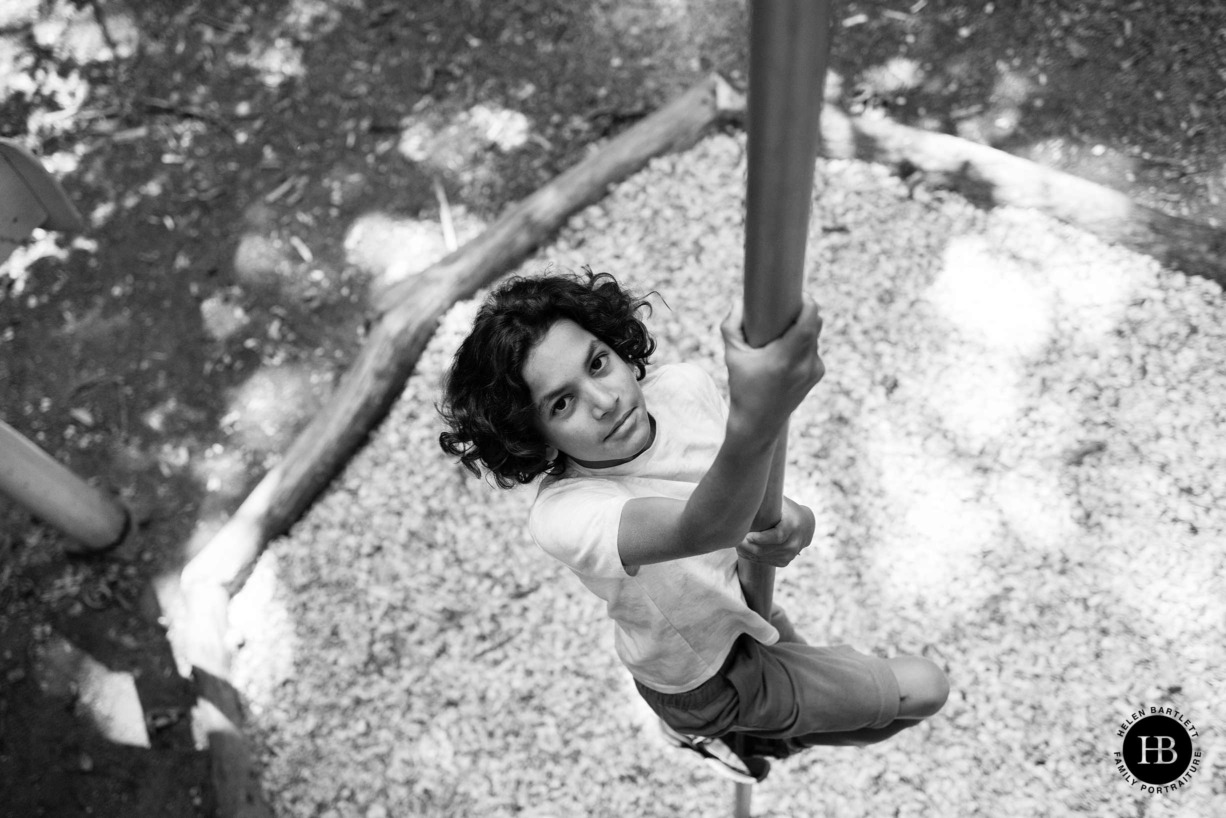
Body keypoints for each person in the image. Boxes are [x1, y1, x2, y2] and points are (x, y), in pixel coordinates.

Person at [438, 268, 948, 781]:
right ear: (535, 435)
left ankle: (748, 739)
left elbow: (745, 486)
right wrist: (763, 410)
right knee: (924, 688)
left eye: (598, 363)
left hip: (746, 604)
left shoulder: (683, 387)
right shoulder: (563, 514)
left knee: (875, 721)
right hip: (702, 678)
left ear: (617, 347)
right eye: (562, 402)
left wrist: (793, 516)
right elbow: (701, 528)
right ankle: (714, 733)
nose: (605, 400)